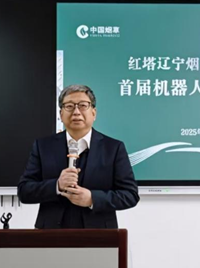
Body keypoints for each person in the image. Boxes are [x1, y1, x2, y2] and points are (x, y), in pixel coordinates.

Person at [18, 84, 139, 228]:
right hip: (51, 234)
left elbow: (130, 195)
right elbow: (24, 191)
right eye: (69, 106)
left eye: (83, 105)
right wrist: (57, 185)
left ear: (93, 113)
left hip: (99, 234)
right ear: (61, 114)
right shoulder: (43, 146)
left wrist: (92, 199)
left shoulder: (113, 148)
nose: (76, 112)